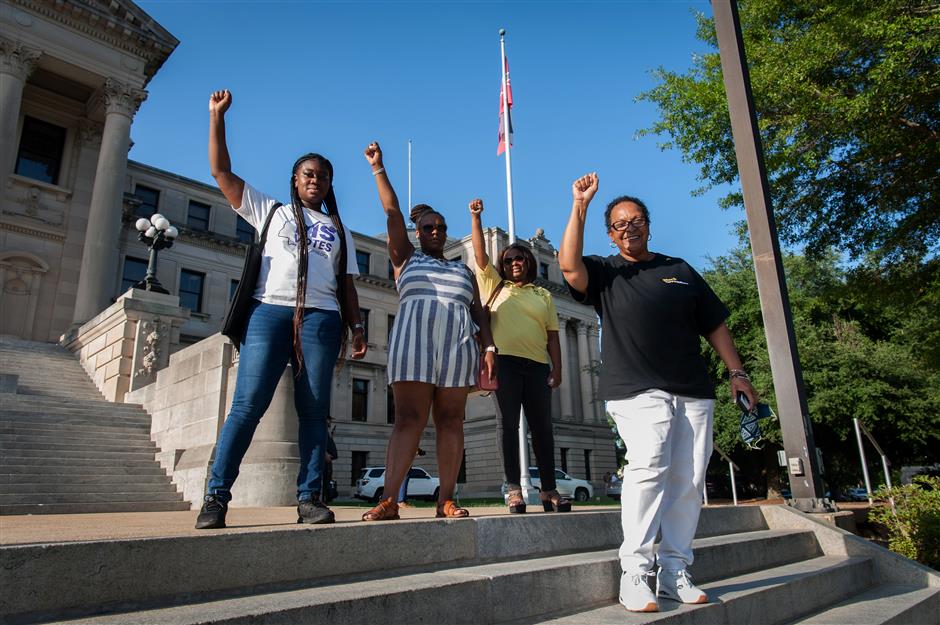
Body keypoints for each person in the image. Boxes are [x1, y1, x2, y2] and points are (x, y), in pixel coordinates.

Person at [559, 172, 756, 612]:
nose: (629, 228)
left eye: (636, 220)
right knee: (648, 465)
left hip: (692, 389)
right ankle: (635, 570)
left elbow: (714, 324)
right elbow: (568, 265)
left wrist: (737, 372)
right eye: (619, 224)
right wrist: (580, 205)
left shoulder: (679, 270)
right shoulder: (606, 272)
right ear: (611, 234)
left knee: (688, 479)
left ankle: (674, 570)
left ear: (648, 223)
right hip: (634, 388)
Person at [195, 90, 367, 529]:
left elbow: (346, 283)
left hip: (321, 319)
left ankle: (309, 498)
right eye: (309, 174)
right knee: (247, 405)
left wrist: (357, 325)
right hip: (268, 313)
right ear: (295, 179)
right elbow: (220, 171)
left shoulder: (339, 230)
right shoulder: (269, 211)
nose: (316, 181)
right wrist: (218, 118)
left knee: (313, 412)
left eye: (324, 177)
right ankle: (216, 496)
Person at [360, 141, 497, 521]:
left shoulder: (462, 270)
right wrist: (378, 169)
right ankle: (390, 499)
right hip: (413, 346)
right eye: (428, 227)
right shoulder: (406, 257)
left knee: (452, 421)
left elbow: (479, 311)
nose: (435, 231)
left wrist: (489, 347)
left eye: (440, 227)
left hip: (456, 348)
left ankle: (446, 500)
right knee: (408, 420)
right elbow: (390, 213)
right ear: (417, 232)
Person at [468, 198, 568, 514]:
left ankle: (549, 490)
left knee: (543, 430)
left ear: (529, 262)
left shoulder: (543, 295)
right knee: (507, 426)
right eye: (509, 259)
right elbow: (481, 256)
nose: (515, 263)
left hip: (538, 367)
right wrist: (476, 218)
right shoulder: (495, 285)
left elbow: (553, 336)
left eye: (520, 258)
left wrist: (558, 369)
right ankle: (513, 489)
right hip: (505, 364)